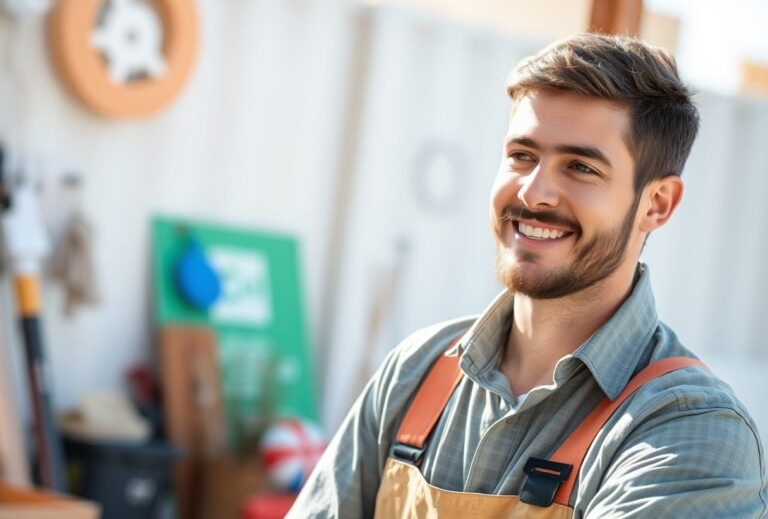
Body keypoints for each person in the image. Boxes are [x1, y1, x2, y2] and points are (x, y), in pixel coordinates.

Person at [288, 33, 768, 518]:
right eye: (522, 156)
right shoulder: (415, 372)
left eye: (580, 167)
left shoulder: (690, 431)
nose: (535, 193)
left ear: (657, 203)